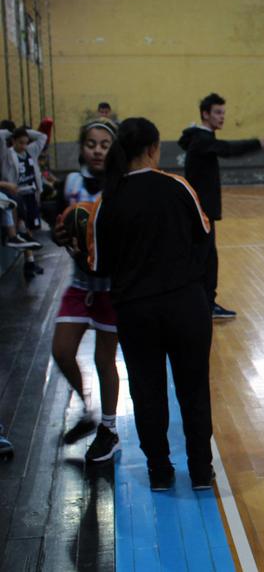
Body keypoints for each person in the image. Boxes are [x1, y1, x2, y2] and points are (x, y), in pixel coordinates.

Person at [89, 117, 214, 491]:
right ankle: (200, 471)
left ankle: (159, 471)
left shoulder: (107, 200)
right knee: (193, 389)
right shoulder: (178, 186)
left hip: (136, 310)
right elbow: (204, 237)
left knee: (146, 391)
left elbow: (100, 267)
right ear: (153, 149)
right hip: (185, 305)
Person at [51, 119, 123, 463]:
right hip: (80, 285)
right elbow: (58, 225)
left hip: (111, 288)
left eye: (105, 144)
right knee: (62, 351)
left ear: (115, 149)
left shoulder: (121, 187)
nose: (97, 149)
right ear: (82, 147)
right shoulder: (72, 183)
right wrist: (58, 233)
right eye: (91, 143)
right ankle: (86, 409)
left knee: (104, 359)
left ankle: (108, 429)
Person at [178, 93, 264, 319]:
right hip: (200, 212)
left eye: (223, 112)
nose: (222, 117)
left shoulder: (199, 138)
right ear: (205, 114)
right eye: (217, 112)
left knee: (207, 258)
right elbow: (229, 149)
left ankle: (204, 303)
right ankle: (202, 305)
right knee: (204, 260)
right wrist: (258, 143)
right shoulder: (202, 140)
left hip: (201, 211)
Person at [1, 124, 49, 279]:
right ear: (13, 141)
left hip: (31, 193)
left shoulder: (30, 151)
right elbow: (0, 136)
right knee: (25, 228)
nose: (23, 145)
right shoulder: (7, 154)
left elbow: (43, 137)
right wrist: (12, 132)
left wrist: (25, 132)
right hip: (18, 195)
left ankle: (29, 262)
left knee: (31, 228)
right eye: (20, 142)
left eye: (25, 142)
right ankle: (29, 262)